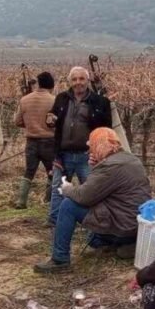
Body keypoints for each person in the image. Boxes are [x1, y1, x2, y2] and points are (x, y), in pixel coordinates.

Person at [34, 128, 151, 273]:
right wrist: (95, 166)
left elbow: (84, 197)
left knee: (68, 205)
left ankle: (60, 259)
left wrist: (66, 188)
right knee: (93, 239)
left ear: (99, 146)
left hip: (122, 226)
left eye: (92, 147)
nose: (90, 152)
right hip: (135, 225)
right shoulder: (130, 159)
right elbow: (100, 189)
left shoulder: (110, 166)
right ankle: (125, 245)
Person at [46, 66, 112, 227]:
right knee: (58, 188)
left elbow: (106, 129)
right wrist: (49, 119)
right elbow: (52, 117)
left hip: (87, 155)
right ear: (70, 81)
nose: (78, 83)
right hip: (63, 154)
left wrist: (99, 151)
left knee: (92, 189)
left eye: (81, 79)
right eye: (74, 79)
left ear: (87, 81)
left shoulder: (100, 102)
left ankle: (93, 221)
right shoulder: (62, 98)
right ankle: (55, 220)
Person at [12, 71, 57, 209]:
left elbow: (17, 121)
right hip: (49, 142)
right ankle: (48, 200)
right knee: (52, 172)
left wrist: (31, 125)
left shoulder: (25, 100)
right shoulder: (54, 100)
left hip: (31, 141)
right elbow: (57, 122)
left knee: (29, 171)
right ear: (51, 85)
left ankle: (21, 201)